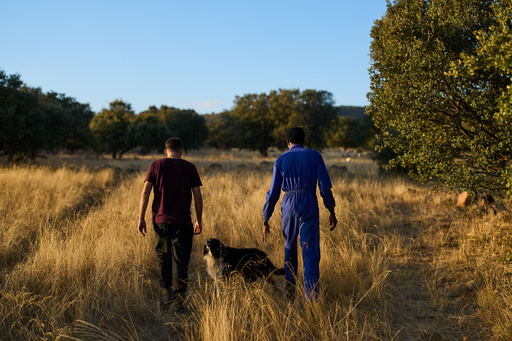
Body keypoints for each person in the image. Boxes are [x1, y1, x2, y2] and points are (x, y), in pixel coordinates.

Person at [262, 127, 337, 300]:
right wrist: (331, 209)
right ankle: (311, 297)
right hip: (308, 202)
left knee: (289, 246)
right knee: (309, 250)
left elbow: (273, 193)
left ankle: (290, 293)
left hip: (288, 205)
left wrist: (266, 217)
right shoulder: (315, 156)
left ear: (288, 142)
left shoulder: (280, 160)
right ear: (304, 140)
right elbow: (325, 188)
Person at [138, 137, 203, 309]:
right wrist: (199, 220)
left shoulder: (156, 165)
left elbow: (145, 193)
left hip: (160, 221)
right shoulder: (190, 167)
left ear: (165, 151)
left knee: (163, 258)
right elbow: (197, 196)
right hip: (183, 222)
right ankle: (178, 302)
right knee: (180, 261)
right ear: (181, 150)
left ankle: (165, 296)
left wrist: (141, 218)